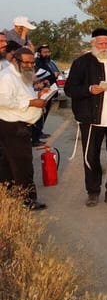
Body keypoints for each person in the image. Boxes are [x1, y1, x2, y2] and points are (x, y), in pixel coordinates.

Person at [64, 28, 107, 207]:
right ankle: (93, 191)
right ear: (93, 44)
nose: (104, 47)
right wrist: (89, 89)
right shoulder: (82, 63)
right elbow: (69, 89)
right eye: (100, 43)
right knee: (91, 156)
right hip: (92, 118)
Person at [0, 48, 48, 210]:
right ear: (15, 60)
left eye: (32, 63)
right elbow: (3, 100)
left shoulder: (22, 74)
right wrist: (31, 103)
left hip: (21, 125)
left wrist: (38, 95)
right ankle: (28, 200)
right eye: (26, 62)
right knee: (23, 165)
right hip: (12, 126)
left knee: (10, 163)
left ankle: (11, 195)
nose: (29, 66)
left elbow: (21, 95)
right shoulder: (7, 77)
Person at [32, 44, 61, 145]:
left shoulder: (50, 62)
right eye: (44, 52)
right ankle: (35, 138)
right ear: (39, 53)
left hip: (50, 90)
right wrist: (52, 76)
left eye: (48, 52)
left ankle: (39, 133)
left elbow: (55, 72)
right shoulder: (37, 62)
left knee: (45, 114)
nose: (47, 54)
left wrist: (54, 75)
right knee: (39, 115)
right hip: (41, 91)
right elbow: (39, 76)